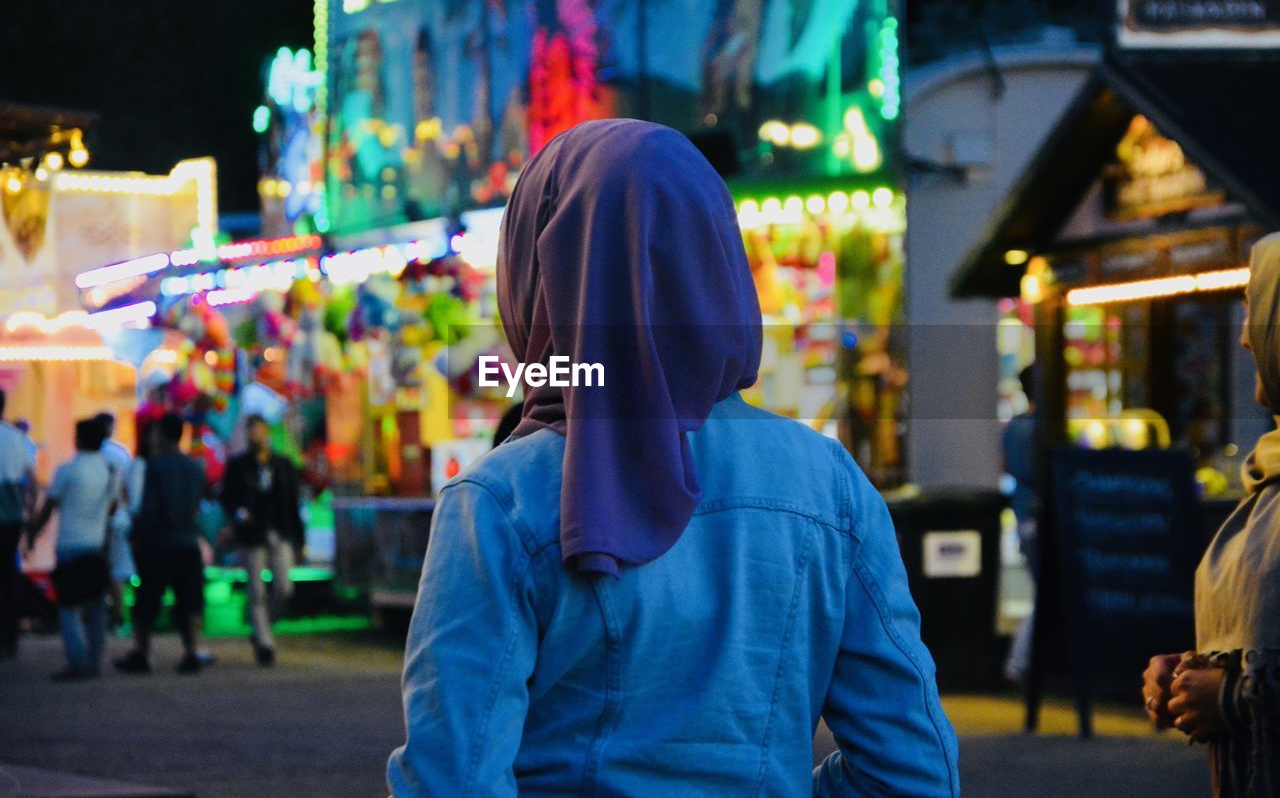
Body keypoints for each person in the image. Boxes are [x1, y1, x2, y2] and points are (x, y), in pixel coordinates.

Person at [387, 120, 959, 795]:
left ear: (543, 275)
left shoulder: (499, 502)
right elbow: (916, 773)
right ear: (716, 263)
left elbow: (451, 779)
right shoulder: (830, 485)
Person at [1143, 234, 1280, 795]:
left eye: (1261, 308)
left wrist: (1235, 696)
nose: (1245, 337)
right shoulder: (1269, 473)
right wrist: (1193, 672)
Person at [114, 414, 210, 675]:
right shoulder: (195, 467)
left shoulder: (155, 467)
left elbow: (149, 509)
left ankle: (142, 652)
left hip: (160, 543)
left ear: (163, 436)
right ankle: (193, 649)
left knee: (147, 600)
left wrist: (138, 537)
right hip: (188, 541)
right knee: (190, 600)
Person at [26, 419, 118, 680]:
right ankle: (94, 660)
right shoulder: (108, 470)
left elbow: (48, 508)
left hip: (69, 545)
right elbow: (112, 508)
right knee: (96, 607)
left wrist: (33, 533)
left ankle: (77, 661)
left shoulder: (67, 470)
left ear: (78, 439)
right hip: (95, 546)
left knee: (69, 607)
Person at [221, 414, 303, 667]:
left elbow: (292, 502)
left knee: (284, 587)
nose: (256, 436)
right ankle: (264, 642)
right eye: (251, 431)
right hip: (251, 534)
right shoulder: (238, 465)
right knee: (256, 589)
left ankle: (262, 626)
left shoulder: (282, 465)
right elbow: (228, 497)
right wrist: (238, 515)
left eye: (259, 430)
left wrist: (299, 537)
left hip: (279, 531)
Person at [1002, 362, 1039, 681]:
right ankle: (1018, 662)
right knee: (1045, 593)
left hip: (1023, 515)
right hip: (1036, 517)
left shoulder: (1014, 427)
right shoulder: (1038, 428)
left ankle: (1019, 661)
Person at [0, 391, 37, 660]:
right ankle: (9, 637)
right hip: (11, 520)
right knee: (8, 577)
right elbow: (32, 482)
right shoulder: (17, 439)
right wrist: (30, 514)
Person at [94, 412, 135, 629]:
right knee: (117, 572)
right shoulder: (120, 453)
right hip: (118, 519)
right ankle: (120, 618)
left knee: (97, 570)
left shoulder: (92, 454)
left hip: (94, 521)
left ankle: (99, 618)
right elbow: (128, 489)